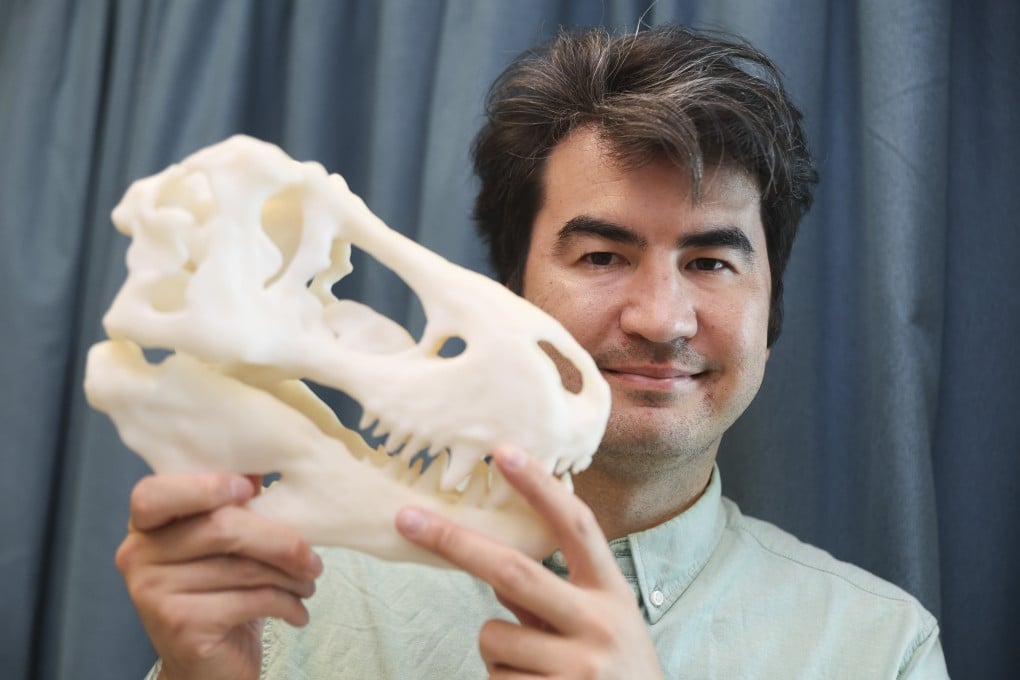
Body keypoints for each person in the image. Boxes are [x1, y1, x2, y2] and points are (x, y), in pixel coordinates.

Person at [117, 25, 949, 679]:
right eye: (601, 257)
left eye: (710, 262)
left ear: (772, 307)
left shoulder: (885, 650)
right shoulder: (285, 598)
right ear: (513, 291)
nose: (663, 319)